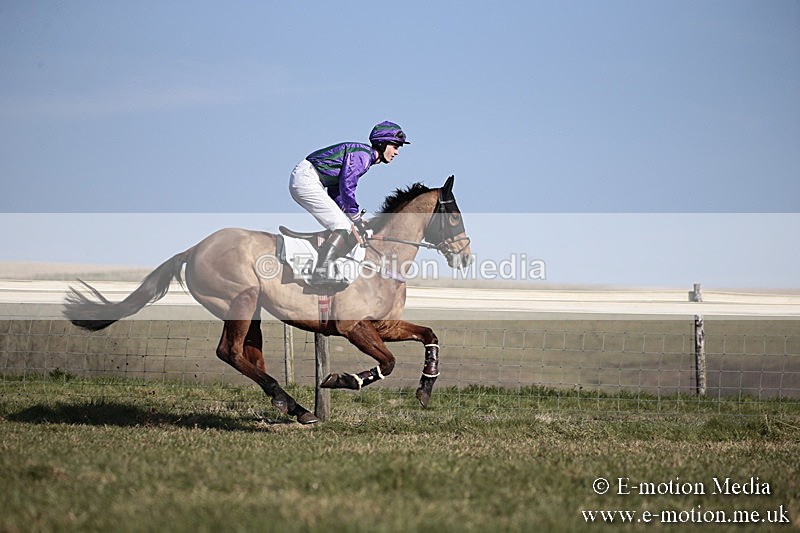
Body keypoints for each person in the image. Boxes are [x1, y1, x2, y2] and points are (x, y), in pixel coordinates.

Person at [289, 121, 410, 288]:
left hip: (309, 178)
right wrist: (355, 215)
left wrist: (352, 217)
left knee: (345, 224)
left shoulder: (364, 156)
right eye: (395, 146)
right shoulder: (363, 156)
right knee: (343, 226)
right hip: (307, 179)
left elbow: (337, 191)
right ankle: (320, 274)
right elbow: (347, 185)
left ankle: (328, 267)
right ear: (382, 143)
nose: (396, 152)